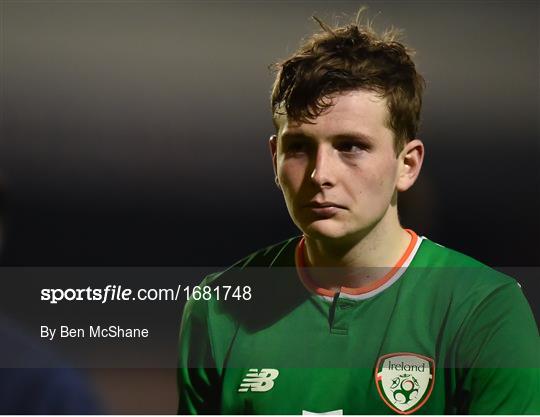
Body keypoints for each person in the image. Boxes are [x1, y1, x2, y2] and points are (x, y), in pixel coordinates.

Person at [177, 11, 539, 415]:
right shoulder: (218, 307)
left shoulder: (484, 309)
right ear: (274, 157)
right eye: (299, 147)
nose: (320, 174)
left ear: (408, 164)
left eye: (350, 146)